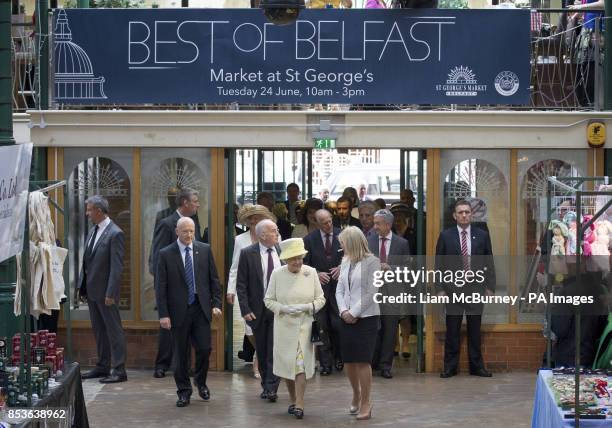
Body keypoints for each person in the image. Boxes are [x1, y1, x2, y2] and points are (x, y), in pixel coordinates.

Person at [155, 217, 222, 407]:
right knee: (181, 354)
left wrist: (216, 303)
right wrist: (163, 314)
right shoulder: (166, 254)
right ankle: (184, 391)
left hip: (200, 309)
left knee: (204, 348)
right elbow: (160, 287)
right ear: (177, 232)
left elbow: (214, 280)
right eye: (185, 231)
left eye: (192, 231)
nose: (189, 235)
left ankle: (200, 382)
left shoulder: (205, 250)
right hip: (177, 312)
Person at [264, 238, 326, 420]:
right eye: (293, 259)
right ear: (285, 260)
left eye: (300, 258)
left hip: (305, 327)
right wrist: (283, 308)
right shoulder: (277, 274)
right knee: (288, 367)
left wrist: (307, 307)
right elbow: (268, 300)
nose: (298, 262)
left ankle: (300, 403)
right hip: (284, 328)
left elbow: (321, 299)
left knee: (300, 366)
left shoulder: (311, 272)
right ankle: (293, 400)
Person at [435, 199, 495, 378]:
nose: (464, 215)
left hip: (476, 290)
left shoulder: (482, 235)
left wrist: (490, 287)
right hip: (452, 290)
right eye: (460, 212)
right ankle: (449, 367)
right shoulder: (446, 236)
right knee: (452, 330)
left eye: (467, 212)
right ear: (454, 215)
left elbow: (489, 260)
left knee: (474, 330)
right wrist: (440, 289)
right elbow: (439, 264)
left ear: (472, 214)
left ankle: (477, 367)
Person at [150, 188, 202, 379]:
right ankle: (162, 364)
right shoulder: (166, 223)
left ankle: (184, 366)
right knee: (167, 327)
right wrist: (160, 283)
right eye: (195, 201)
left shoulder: (194, 222)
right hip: (172, 286)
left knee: (186, 328)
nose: (198, 204)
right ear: (185, 203)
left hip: (191, 284)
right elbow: (157, 254)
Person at [78, 195, 127, 384]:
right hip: (92, 291)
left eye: (89, 210)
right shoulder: (93, 231)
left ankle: (119, 369)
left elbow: (117, 267)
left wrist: (111, 293)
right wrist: (82, 287)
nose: (87, 213)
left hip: (106, 293)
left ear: (99, 210)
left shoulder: (115, 233)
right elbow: (87, 261)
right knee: (99, 330)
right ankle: (103, 365)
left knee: (114, 330)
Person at [336, 226, 380, 420]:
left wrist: (354, 312)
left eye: (343, 243)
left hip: (367, 318)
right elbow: (339, 290)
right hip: (346, 317)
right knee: (349, 361)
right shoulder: (345, 260)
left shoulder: (373, 262)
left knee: (362, 360)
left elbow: (372, 292)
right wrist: (344, 311)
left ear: (352, 243)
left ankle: (366, 401)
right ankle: (356, 393)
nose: (341, 247)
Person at [236, 219, 283, 402]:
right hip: (257, 309)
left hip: (278, 309)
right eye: (274, 231)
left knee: (274, 349)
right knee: (262, 350)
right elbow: (241, 285)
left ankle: (272, 386)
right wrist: (245, 309)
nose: (277, 233)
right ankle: (266, 383)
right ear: (263, 235)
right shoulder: (248, 254)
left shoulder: (282, 251)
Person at [228, 204, 277, 377]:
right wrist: (230, 290)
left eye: (257, 217)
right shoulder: (240, 239)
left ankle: (260, 361)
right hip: (249, 292)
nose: (254, 220)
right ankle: (260, 353)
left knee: (270, 328)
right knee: (250, 329)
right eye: (251, 218)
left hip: (272, 291)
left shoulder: (275, 236)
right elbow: (235, 267)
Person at [367, 209, 410, 379]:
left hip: (392, 291)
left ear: (388, 225)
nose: (374, 226)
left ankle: (386, 366)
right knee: (373, 329)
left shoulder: (402, 243)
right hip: (372, 292)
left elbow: (407, 269)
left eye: (378, 223)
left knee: (390, 330)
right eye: (374, 223)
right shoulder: (368, 241)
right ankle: (373, 363)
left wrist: (391, 268)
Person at [303, 209, 343, 376]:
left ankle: (339, 357)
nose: (328, 225)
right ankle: (325, 363)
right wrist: (316, 274)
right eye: (324, 223)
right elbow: (303, 265)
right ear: (316, 223)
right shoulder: (309, 240)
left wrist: (343, 268)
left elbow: (354, 257)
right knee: (321, 326)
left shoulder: (343, 236)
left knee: (338, 325)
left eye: (329, 221)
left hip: (339, 289)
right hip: (318, 290)